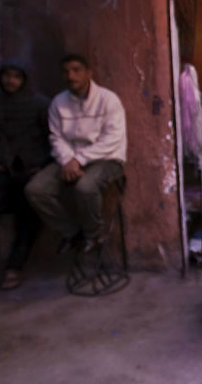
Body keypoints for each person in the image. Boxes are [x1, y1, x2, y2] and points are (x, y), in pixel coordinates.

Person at [25, 54, 127, 254]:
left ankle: (93, 235)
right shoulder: (58, 102)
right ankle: (72, 233)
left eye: (76, 70)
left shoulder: (108, 99)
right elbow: (56, 137)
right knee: (35, 190)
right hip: (69, 159)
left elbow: (112, 138)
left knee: (85, 187)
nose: (71, 76)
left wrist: (78, 160)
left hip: (106, 158)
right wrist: (67, 160)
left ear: (89, 73)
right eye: (66, 72)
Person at [0, 59, 52, 290]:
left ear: (24, 79)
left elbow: (52, 136)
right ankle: (27, 206)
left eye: (16, 76)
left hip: (33, 168)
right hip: (6, 169)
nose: (11, 81)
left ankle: (13, 268)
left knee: (27, 219)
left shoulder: (40, 103)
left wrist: (44, 164)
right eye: (7, 75)